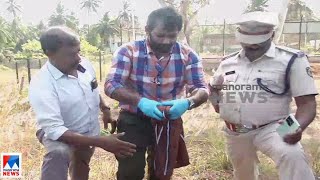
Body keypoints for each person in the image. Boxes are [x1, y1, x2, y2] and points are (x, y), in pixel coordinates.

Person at [209, 11, 318, 180]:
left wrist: (297, 126)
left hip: (276, 124)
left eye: (258, 43)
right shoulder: (227, 62)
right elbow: (215, 89)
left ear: (272, 34)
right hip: (235, 130)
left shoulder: (292, 59)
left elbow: (307, 104)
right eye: (247, 42)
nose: (252, 47)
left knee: (292, 155)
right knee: (243, 174)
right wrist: (217, 101)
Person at [104, 7, 209, 180]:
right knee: (130, 171)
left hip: (168, 119)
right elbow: (111, 85)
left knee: (162, 171)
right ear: (147, 30)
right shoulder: (129, 51)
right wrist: (141, 102)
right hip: (133, 118)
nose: (167, 41)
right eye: (160, 35)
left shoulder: (188, 55)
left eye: (172, 36)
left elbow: (201, 88)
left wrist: (188, 102)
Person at [28, 26, 136, 180]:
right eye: (72, 54)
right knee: (58, 153)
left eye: (79, 51)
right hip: (59, 132)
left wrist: (105, 109)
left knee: (81, 167)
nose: (78, 58)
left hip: (87, 129)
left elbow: (92, 87)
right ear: (49, 53)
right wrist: (101, 142)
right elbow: (55, 130)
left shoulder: (83, 64)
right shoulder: (42, 84)